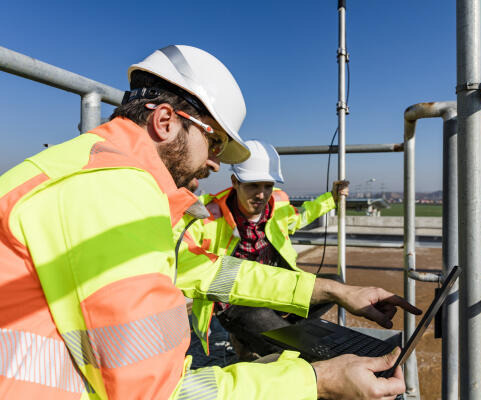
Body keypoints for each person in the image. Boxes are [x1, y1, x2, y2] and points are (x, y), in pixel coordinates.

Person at [0, 45, 418, 400]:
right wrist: (316, 380)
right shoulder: (112, 191)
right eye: (214, 141)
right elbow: (157, 392)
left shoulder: (91, 173)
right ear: (165, 122)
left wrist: (333, 289)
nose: (215, 161)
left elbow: (211, 271)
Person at [183, 139, 349, 359]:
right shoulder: (207, 215)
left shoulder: (277, 205)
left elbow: (299, 218)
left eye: (267, 185)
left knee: (334, 285)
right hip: (235, 301)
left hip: (273, 289)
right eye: (253, 185)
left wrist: (332, 199)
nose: (262, 194)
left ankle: (261, 335)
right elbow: (184, 254)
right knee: (286, 347)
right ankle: (265, 340)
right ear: (235, 181)